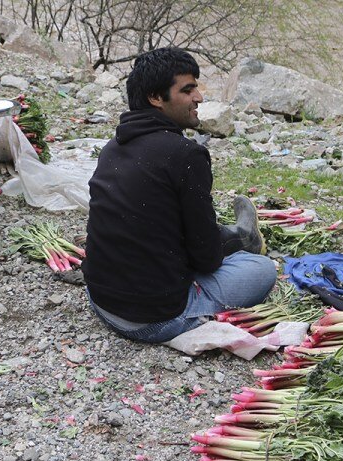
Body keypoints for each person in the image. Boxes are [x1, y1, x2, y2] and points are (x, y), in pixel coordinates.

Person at [82, 47, 277, 343]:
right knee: (262, 269)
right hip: (152, 317)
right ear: (156, 98)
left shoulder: (112, 148)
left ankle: (238, 235)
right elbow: (207, 259)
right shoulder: (186, 155)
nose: (198, 97)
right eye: (188, 90)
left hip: (102, 301)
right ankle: (239, 239)